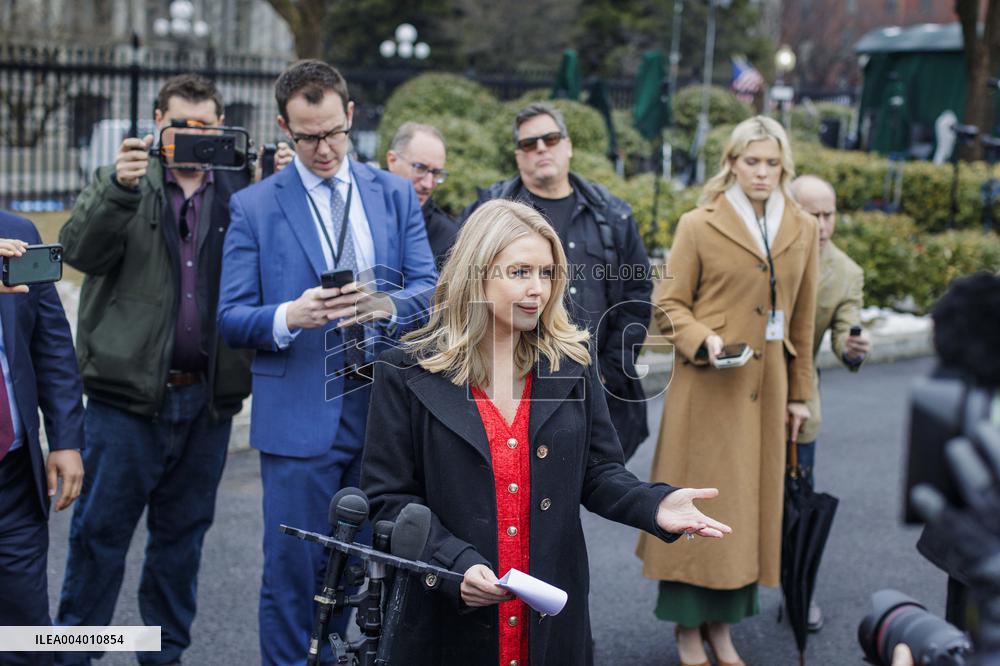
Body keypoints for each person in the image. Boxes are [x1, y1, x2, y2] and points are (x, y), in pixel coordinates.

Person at [361, 199, 730, 666]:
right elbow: (387, 501)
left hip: (551, 621)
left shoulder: (571, 363)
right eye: (519, 272)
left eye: (548, 273)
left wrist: (654, 504)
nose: (538, 289)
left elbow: (598, 473)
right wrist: (452, 564)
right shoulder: (405, 372)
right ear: (474, 275)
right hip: (445, 626)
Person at [55, 74, 289, 666]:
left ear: (221, 128)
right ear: (158, 121)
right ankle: (73, 652)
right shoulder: (128, 182)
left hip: (207, 401)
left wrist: (276, 188)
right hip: (124, 402)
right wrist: (117, 187)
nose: (193, 137)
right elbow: (79, 253)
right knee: (98, 539)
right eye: (181, 125)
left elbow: (277, 272)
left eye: (206, 127)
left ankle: (162, 655)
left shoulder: (242, 190)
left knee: (179, 545)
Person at [217, 59, 437, 666]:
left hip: (380, 415)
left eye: (334, 133)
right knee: (292, 576)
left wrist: (385, 304)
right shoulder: (255, 206)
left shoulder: (391, 193)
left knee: (367, 575)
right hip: (298, 420)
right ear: (285, 128)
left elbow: (430, 284)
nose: (323, 148)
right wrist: (291, 315)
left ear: (350, 117)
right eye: (307, 136)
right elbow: (230, 316)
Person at [636, 116, 818, 666]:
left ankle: (722, 628)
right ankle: (688, 630)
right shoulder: (698, 223)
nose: (762, 173)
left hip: (769, 392)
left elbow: (802, 320)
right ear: (732, 163)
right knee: (701, 502)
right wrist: (703, 339)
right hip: (708, 392)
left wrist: (799, 394)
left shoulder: (803, 228)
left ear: (784, 166)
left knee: (747, 512)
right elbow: (666, 305)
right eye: (751, 161)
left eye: (771, 163)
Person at [463, 102, 653, 460]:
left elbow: (638, 294)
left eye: (549, 138)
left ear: (568, 145)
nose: (540, 149)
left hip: (592, 385)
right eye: (528, 143)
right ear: (518, 156)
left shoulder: (611, 215)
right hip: (510, 386)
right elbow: (463, 285)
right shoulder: (489, 213)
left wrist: (610, 370)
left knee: (585, 487)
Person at [0, 219, 84, 666]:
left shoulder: (17, 232)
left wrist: (66, 439)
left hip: (13, 474)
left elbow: (51, 342)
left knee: (27, 639)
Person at [789, 174, 871, 632]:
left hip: (802, 402)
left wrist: (852, 347)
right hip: (746, 398)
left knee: (800, 505)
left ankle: (801, 592)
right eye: (812, 213)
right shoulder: (768, 251)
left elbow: (847, 329)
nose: (822, 224)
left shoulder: (846, 272)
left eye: (829, 214)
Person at [385, 122, 459, 270]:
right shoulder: (358, 207)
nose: (428, 184)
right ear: (392, 161)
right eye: (420, 168)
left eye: (437, 173)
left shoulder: (448, 237)